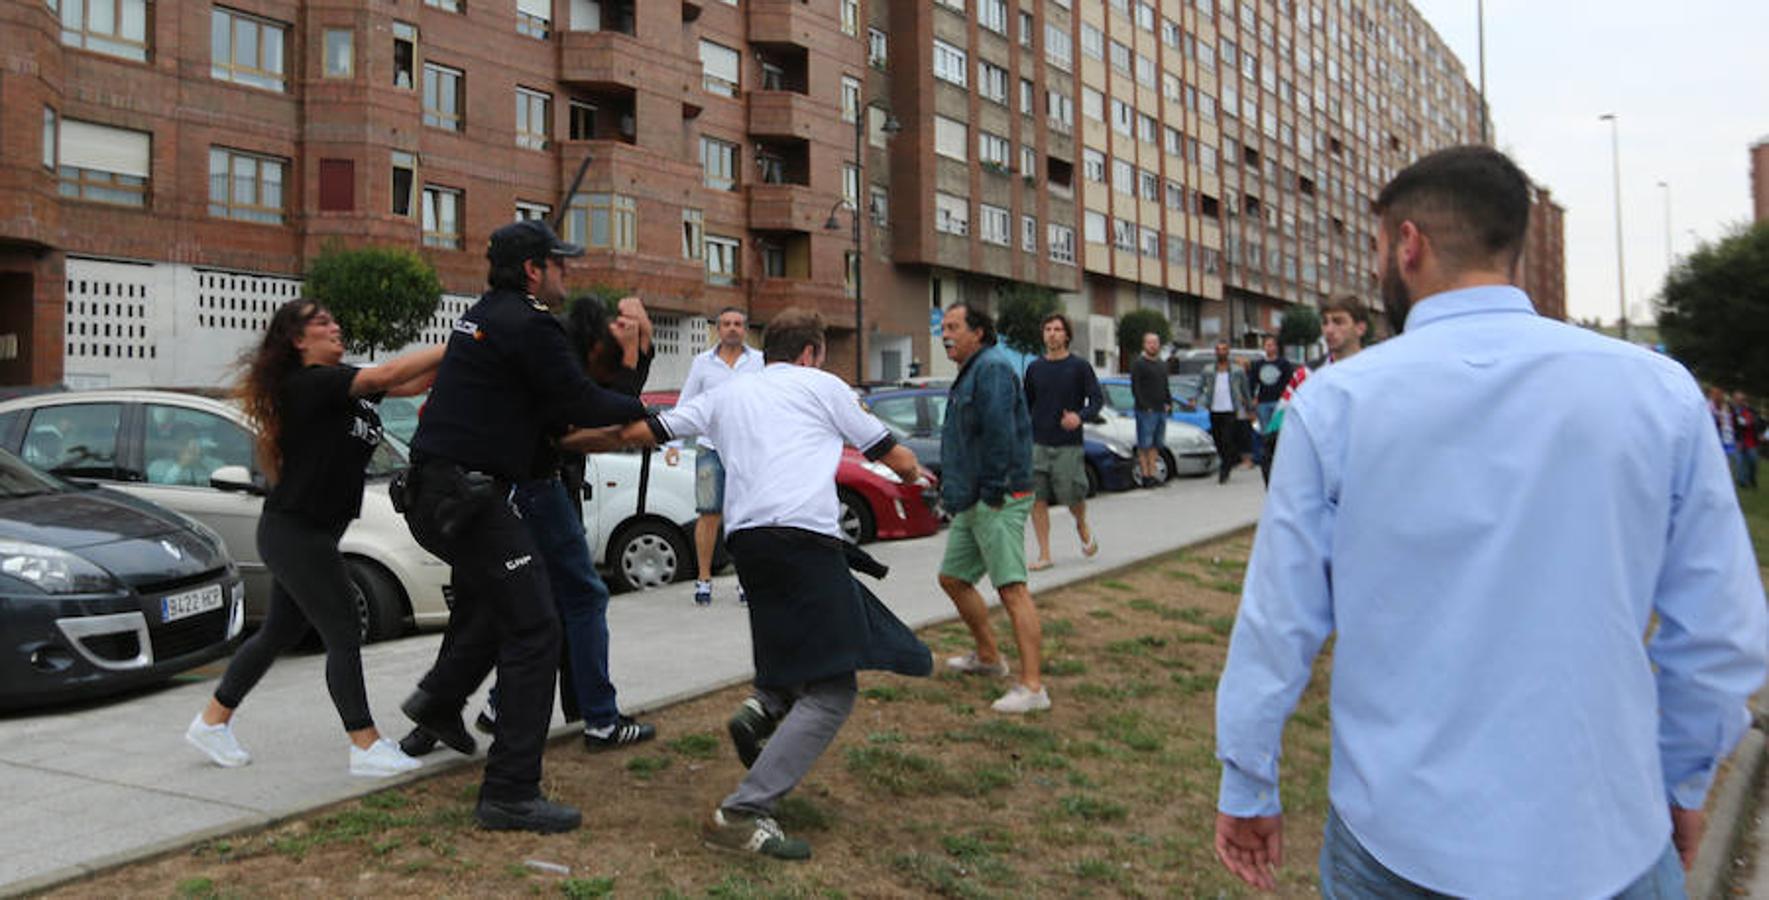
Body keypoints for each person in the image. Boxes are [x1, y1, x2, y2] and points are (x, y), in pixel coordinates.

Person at [1212, 145, 1768, 898]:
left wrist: (1248, 782)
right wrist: (1679, 779)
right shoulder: (1657, 395)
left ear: (1407, 244)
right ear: (1510, 246)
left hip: (1398, 838)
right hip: (1605, 837)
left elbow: (1279, 622)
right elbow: (1719, 633)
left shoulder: (1337, 405)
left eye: (1379, 247)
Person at [588, 307, 927, 860]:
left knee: (793, 642)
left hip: (747, 543)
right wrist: (916, 473)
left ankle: (762, 707)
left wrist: (569, 438)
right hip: (804, 539)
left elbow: (641, 429)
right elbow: (891, 453)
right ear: (813, 352)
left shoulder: (729, 394)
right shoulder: (824, 386)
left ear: (768, 351)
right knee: (833, 690)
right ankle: (742, 812)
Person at [399, 218, 648, 834]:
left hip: (443, 493)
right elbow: (579, 402)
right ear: (534, 270)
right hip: (469, 497)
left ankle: (436, 703)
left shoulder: (484, 314)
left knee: (493, 609)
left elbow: (548, 415)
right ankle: (510, 790)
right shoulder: (530, 322)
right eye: (559, 263)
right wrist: (663, 415)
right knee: (538, 626)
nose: (568, 273)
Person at [184, 301, 443, 777]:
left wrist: (462, 354)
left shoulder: (344, 383)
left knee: (278, 632)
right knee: (343, 629)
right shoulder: (308, 385)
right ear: (298, 340)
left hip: (309, 531)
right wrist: (458, 340)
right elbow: (384, 372)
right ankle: (364, 745)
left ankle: (212, 721)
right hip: (295, 532)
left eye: (334, 317)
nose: (335, 325)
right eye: (322, 322)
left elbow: (406, 381)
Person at [935, 304, 1046, 714]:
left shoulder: (993, 369)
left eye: (953, 328)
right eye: (942, 328)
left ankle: (1033, 687)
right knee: (953, 578)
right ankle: (988, 658)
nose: (945, 335)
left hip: (997, 496)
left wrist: (994, 490)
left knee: (1012, 589)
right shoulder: (974, 369)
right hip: (974, 498)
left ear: (978, 332)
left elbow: (1000, 432)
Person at [674, 307, 765, 606]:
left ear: (746, 329)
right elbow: (686, 404)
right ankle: (703, 580)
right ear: (717, 329)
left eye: (738, 324)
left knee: (746, 516)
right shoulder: (702, 363)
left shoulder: (759, 361)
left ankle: (746, 580)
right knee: (709, 513)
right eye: (726, 324)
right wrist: (673, 442)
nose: (732, 329)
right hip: (710, 448)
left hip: (747, 450)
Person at [1257, 294, 1370, 486]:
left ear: (1360, 328)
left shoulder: (1378, 372)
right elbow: (1276, 436)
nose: (1329, 330)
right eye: (1325, 323)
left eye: (1338, 322)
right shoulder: (1306, 376)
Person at [1023, 313, 1103, 570]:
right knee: (1037, 498)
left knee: (1073, 496)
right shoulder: (1034, 368)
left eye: (1057, 329)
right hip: (1038, 443)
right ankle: (1045, 554)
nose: (1052, 334)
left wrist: (1080, 417)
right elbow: (1027, 404)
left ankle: (1081, 524)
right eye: (1048, 329)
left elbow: (1097, 401)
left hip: (1068, 444)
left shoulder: (1079, 367)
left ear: (1066, 335)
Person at [1187, 341, 1254, 484]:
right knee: (1218, 440)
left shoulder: (1237, 370)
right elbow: (1200, 386)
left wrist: (1249, 408)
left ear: (1228, 352)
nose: (1221, 352)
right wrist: (1194, 399)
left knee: (1227, 439)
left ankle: (1225, 469)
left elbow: (1245, 390)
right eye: (1218, 349)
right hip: (1214, 409)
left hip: (1230, 409)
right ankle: (1228, 461)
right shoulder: (1208, 370)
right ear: (1215, 352)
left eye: (1224, 349)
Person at [1245, 335, 1294, 469]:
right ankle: (1268, 458)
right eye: (1267, 345)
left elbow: (1290, 383)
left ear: (1276, 347)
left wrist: (1288, 399)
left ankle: (1282, 458)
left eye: (1272, 345)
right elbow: (1251, 383)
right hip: (1263, 403)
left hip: (1280, 403)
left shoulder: (1284, 364)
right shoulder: (1258, 365)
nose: (1269, 348)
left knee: (1280, 431)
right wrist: (1252, 400)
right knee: (1266, 432)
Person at [1128, 332, 1170, 486]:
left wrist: (1168, 402)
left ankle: (1153, 474)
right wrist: (1145, 405)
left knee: (1155, 444)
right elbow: (1136, 388)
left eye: (1155, 342)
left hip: (1161, 409)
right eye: (1150, 342)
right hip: (1146, 410)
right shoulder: (1138, 364)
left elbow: (1166, 385)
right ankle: (1145, 476)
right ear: (1144, 345)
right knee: (1144, 443)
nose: (1153, 345)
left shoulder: (1162, 364)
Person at [1731, 391, 1757, 490]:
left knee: (1752, 460)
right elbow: (1733, 425)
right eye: (1737, 399)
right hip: (1738, 440)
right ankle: (1742, 482)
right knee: (1739, 461)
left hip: (1750, 441)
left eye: (1741, 399)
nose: (1739, 401)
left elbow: (1751, 423)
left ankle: (1751, 478)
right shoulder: (1732, 410)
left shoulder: (1749, 410)